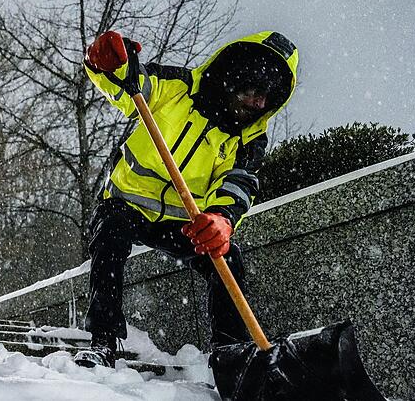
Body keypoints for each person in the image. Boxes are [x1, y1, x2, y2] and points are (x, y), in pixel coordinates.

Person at [73, 30, 298, 367]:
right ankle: (102, 341)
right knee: (110, 235)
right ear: (236, 78)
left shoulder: (249, 140)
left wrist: (222, 219)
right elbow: (128, 83)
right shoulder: (176, 87)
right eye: (254, 93)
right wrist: (107, 62)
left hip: (183, 222)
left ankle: (229, 356)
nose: (259, 104)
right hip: (127, 203)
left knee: (228, 261)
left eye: (267, 99)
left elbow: (238, 184)